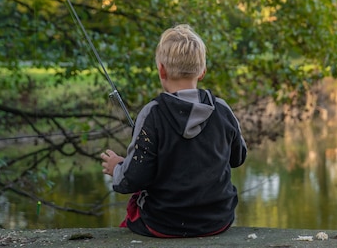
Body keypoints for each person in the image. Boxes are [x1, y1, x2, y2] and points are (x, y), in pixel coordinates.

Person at [100, 24, 247, 238]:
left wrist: (117, 168)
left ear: (161, 70)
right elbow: (239, 157)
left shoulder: (152, 114)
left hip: (162, 224)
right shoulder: (222, 109)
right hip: (218, 221)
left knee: (133, 211)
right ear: (202, 71)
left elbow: (131, 180)